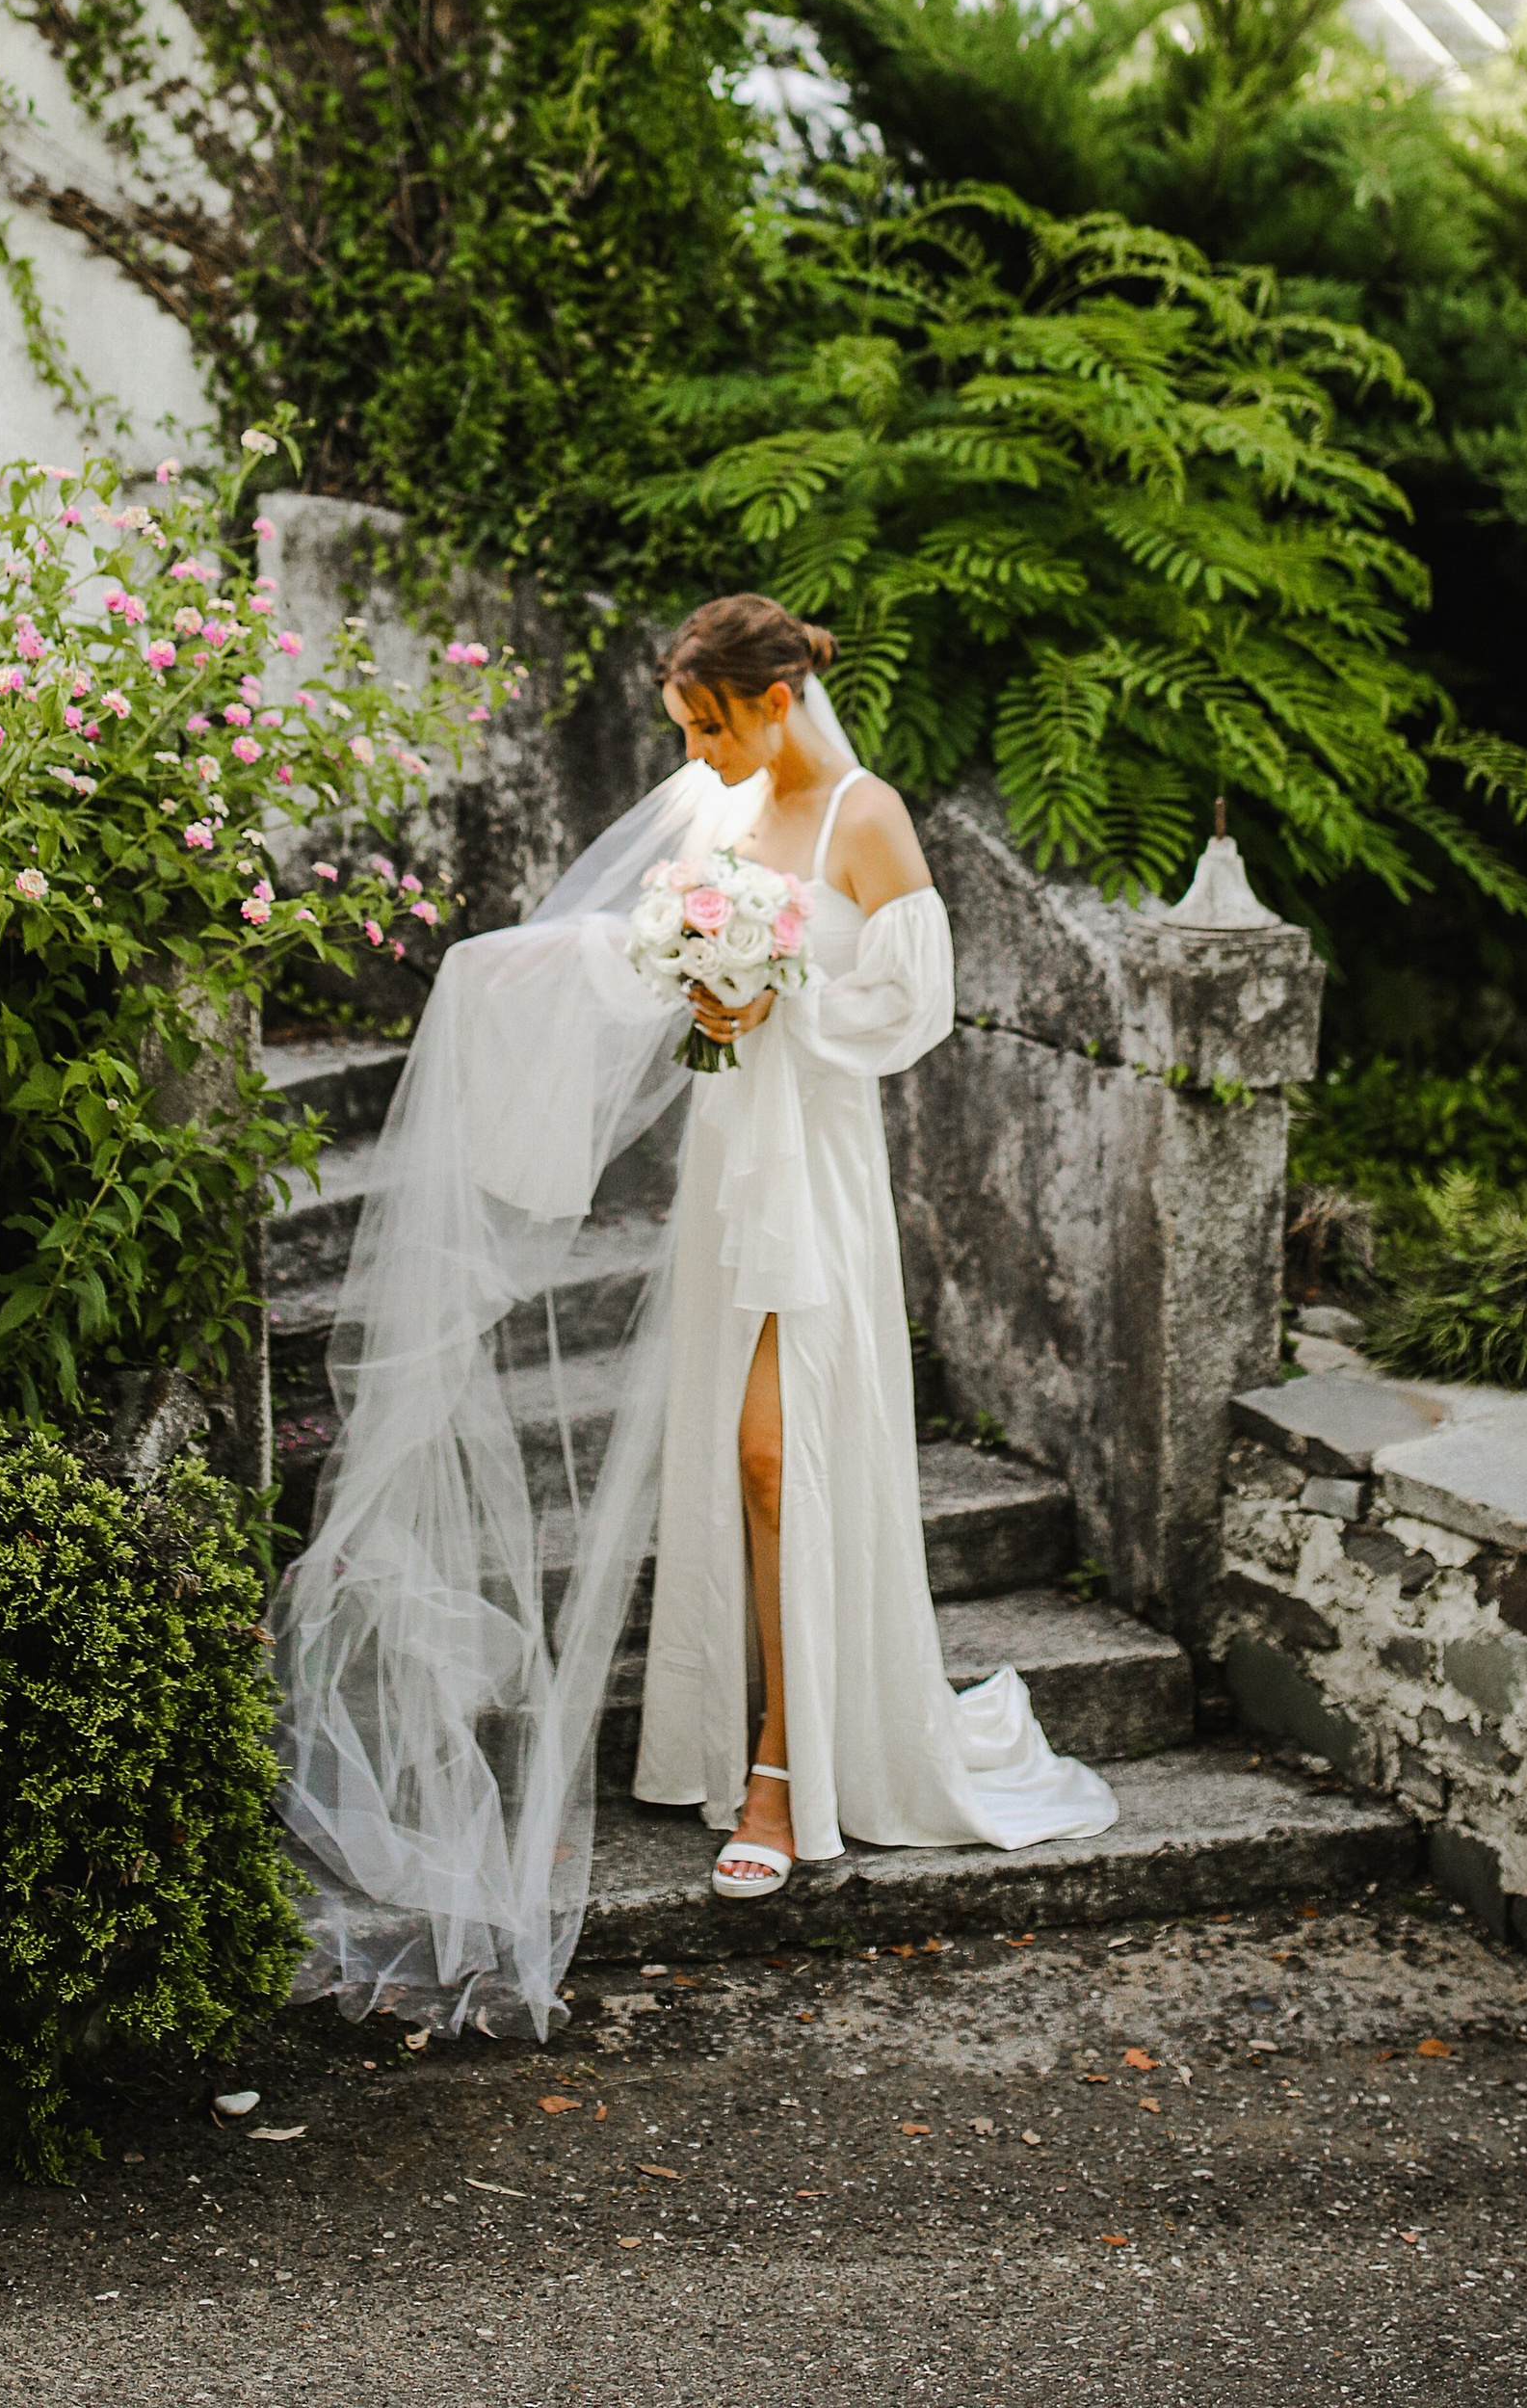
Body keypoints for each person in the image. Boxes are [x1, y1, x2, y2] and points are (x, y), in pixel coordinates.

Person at [271, 594, 1113, 2035]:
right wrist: (554, 976)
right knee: (726, 1461)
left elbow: (915, 1006)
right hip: (734, 1170)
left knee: (784, 1455)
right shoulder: (709, 810)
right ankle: (739, 1733)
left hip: (821, 1167)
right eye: (688, 729)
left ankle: (788, 1773)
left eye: (714, 722)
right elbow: (626, 952)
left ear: (776, 697)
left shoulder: (864, 812)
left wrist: (777, 993)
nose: (702, 748)